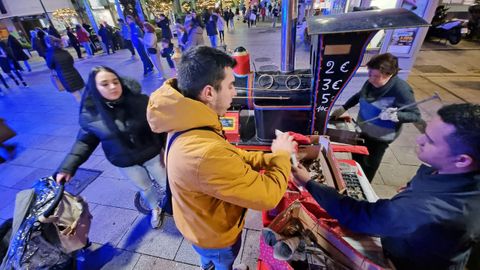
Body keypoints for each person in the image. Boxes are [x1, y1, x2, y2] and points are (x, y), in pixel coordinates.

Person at [146, 46, 297, 270]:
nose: (235, 93)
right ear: (209, 92)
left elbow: (228, 154)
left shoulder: (184, 118)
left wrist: (268, 159)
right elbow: (268, 196)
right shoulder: (204, 152)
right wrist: (283, 156)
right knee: (221, 263)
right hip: (215, 238)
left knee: (209, 261)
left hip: (198, 223)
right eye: (230, 85)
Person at [292, 103, 480, 270]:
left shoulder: (427, 210)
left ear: (462, 160)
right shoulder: (455, 172)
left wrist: (309, 182)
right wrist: (411, 188)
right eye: (425, 133)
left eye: (430, 141)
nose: (419, 140)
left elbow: (357, 216)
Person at [56, 66, 167, 229]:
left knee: (166, 182)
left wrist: (166, 150)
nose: (113, 87)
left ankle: (177, 206)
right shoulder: (91, 114)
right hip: (125, 161)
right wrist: (67, 167)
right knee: (145, 187)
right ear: (95, 88)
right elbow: (84, 142)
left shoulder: (140, 101)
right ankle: (155, 208)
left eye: (115, 81)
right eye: (105, 84)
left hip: (152, 154)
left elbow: (159, 127)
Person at [330, 53, 420, 181]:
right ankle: (355, 177)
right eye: (369, 74)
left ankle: (365, 183)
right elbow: (359, 95)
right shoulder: (371, 82)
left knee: (369, 164)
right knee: (357, 155)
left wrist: (395, 115)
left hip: (380, 137)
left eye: (376, 76)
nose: (371, 79)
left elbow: (415, 115)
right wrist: (344, 107)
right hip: (362, 128)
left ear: (389, 74)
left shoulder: (401, 90)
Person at [45, 36, 84, 102]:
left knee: (76, 96)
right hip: (75, 73)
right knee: (83, 92)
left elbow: (50, 66)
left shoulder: (50, 54)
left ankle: (85, 109)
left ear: (48, 44)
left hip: (65, 77)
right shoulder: (65, 52)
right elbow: (71, 61)